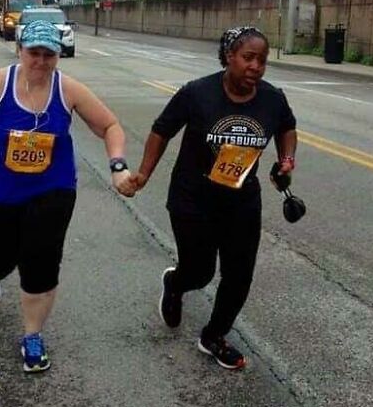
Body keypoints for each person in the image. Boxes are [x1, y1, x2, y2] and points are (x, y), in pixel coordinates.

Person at [0, 19, 133, 373]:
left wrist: (117, 164)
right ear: (20, 50)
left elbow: (109, 125)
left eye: (49, 54)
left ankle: (33, 335)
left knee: (41, 265)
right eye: (34, 53)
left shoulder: (68, 89)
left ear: (58, 56)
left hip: (52, 191)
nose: (41, 61)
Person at [127, 26, 298, 370]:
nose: (255, 66)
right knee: (200, 272)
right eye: (248, 58)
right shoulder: (197, 93)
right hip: (193, 198)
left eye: (262, 60)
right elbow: (162, 130)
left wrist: (286, 161)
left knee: (239, 274)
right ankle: (176, 283)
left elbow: (286, 128)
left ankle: (214, 336)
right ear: (229, 57)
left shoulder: (272, 98)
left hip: (242, 201)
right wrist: (143, 173)